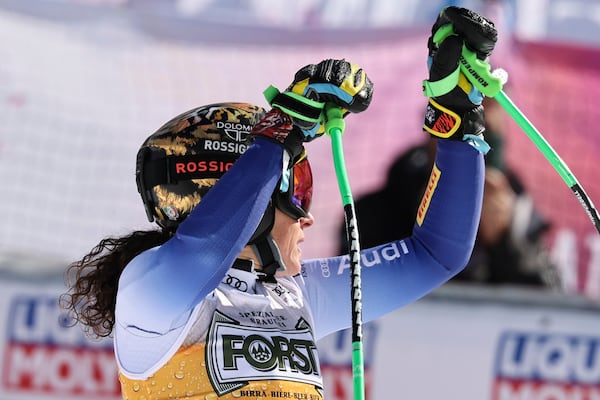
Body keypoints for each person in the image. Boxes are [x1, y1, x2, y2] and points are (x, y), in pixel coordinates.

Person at [62, 7, 496, 399]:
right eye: (294, 192)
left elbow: (437, 254)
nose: (306, 215)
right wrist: (281, 130)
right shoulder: (150, 288)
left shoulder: (294, 292)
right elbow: (205, 250)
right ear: (226, 189)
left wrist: (457, 118)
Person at [339, 97, 561, 288]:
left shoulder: (520, 212)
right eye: (462, 132)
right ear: (432, 129)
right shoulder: (378, 209)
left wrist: (504, 242)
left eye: (487, 135)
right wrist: (433, 223)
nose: (472, 150)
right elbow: (358, 292)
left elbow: (548, 306)